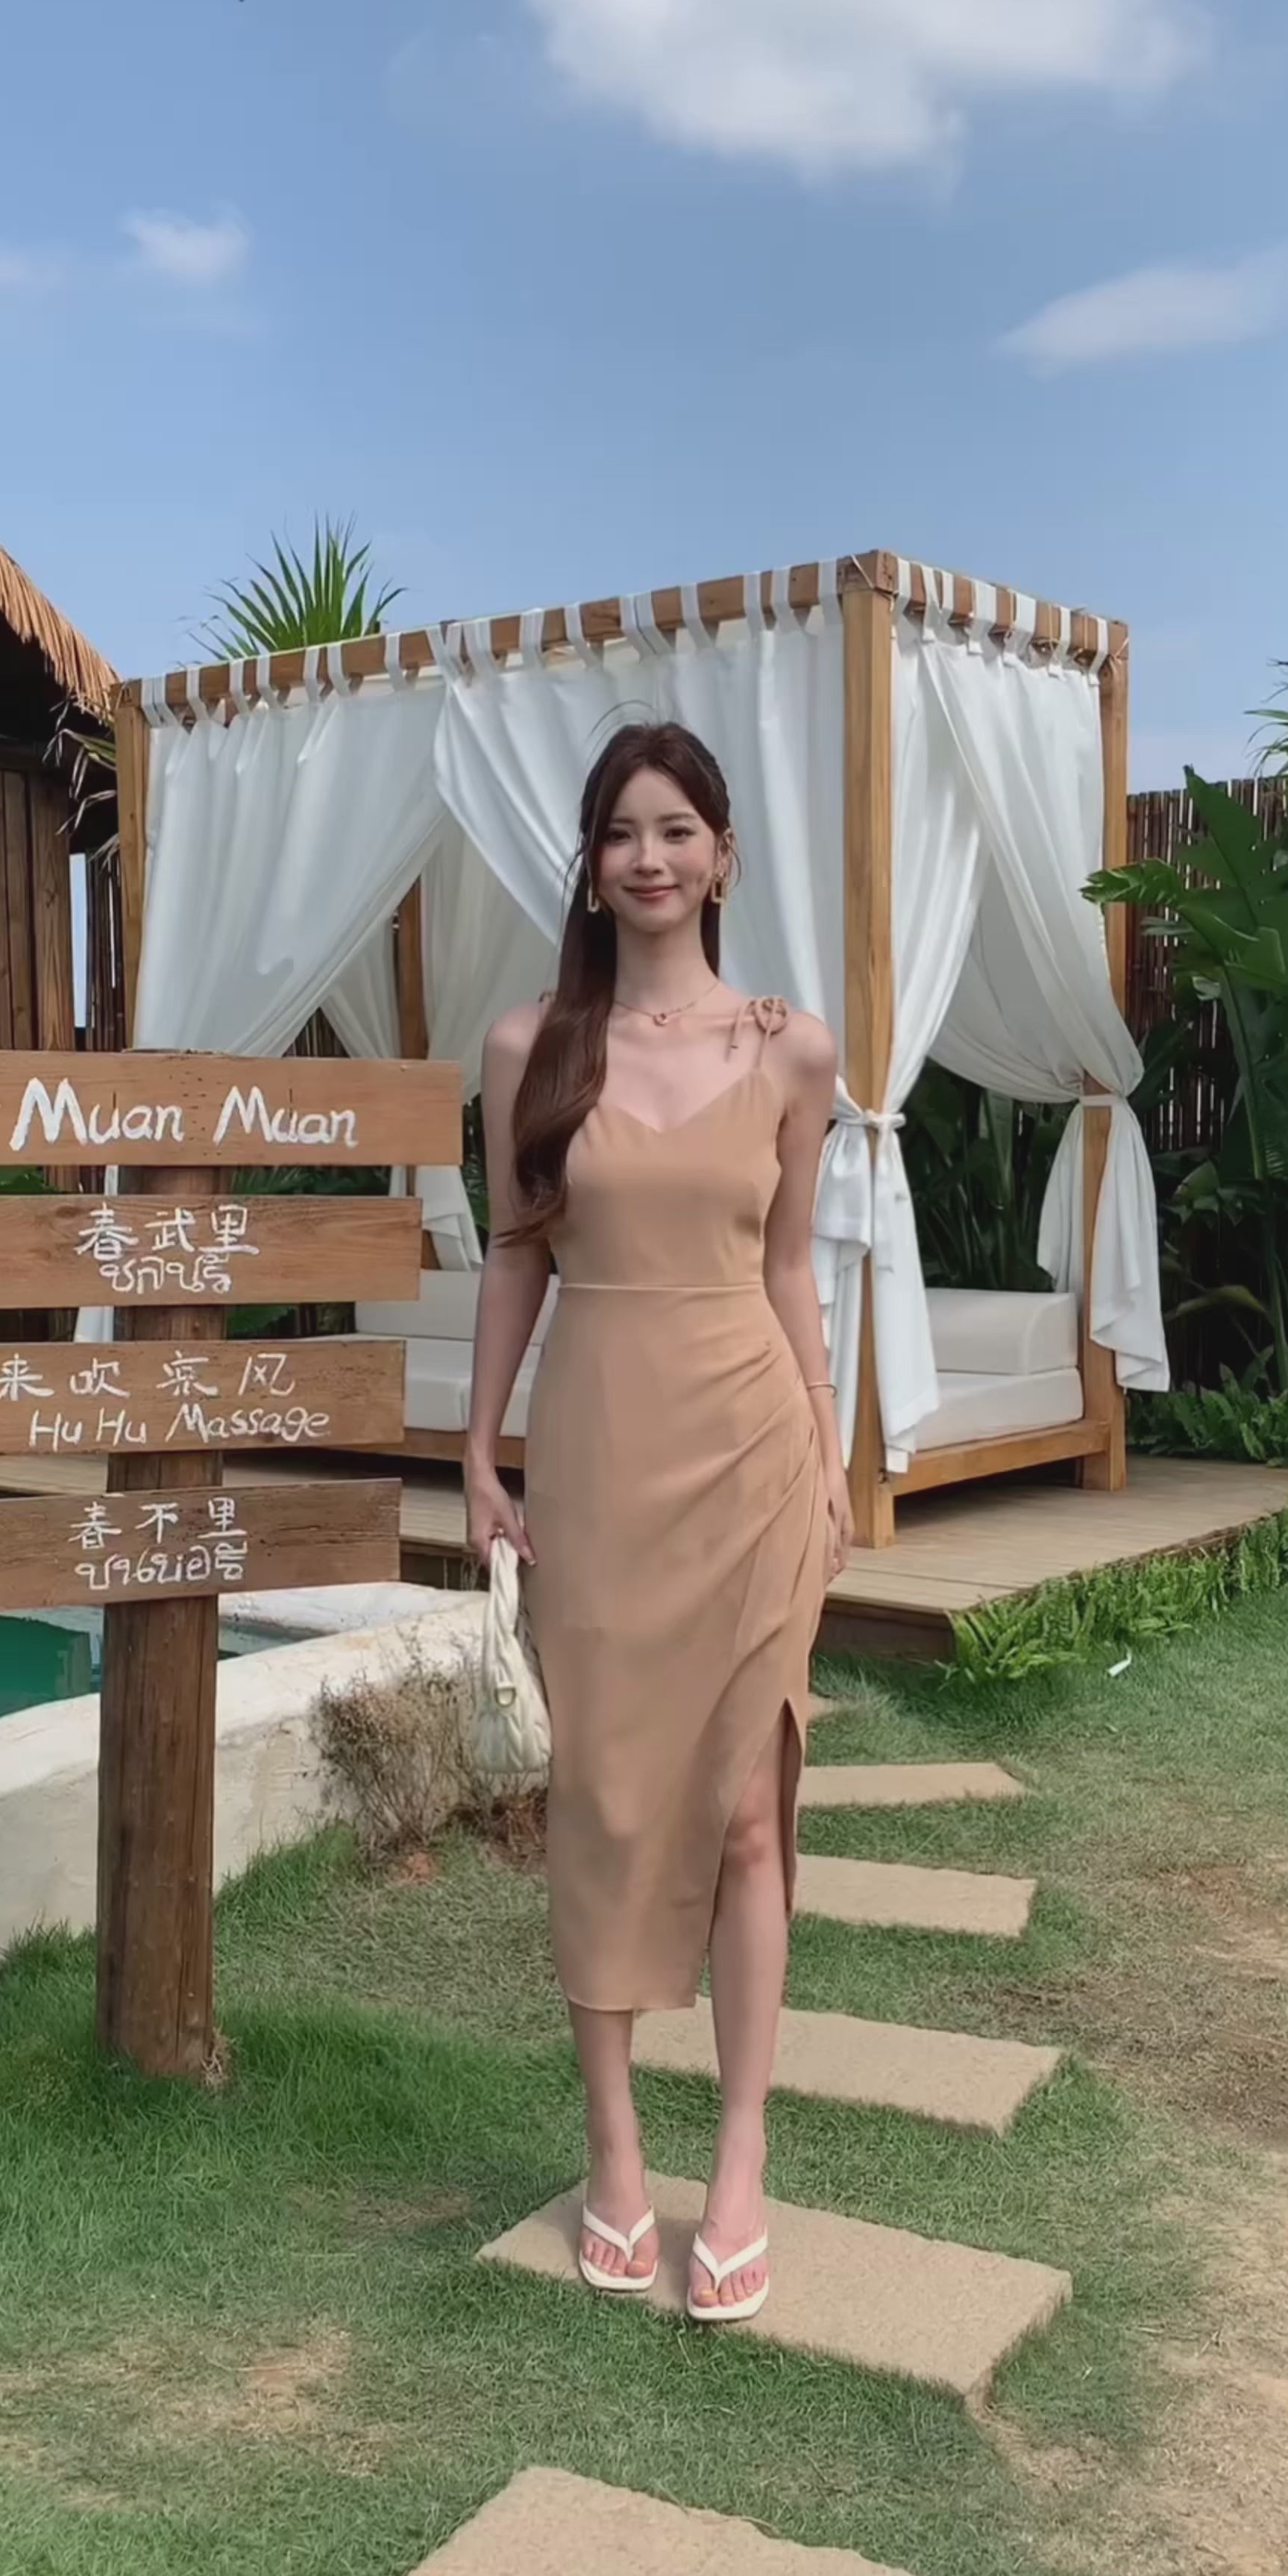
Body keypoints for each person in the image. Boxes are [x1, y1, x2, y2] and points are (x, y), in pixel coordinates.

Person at [465, 718, 851, 2325]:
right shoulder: (529, 1047)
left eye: (677, 828)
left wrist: (828, 1452)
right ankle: (615, 2154)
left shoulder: (792, 1051)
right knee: (607, 1801)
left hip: (754, 1445)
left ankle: (740, 2159)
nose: (649, 856)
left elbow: (789, 1268)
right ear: (592, 862)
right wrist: (478, 1451)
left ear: (723, 856)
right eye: (623, 830)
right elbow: (516, 1257)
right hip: (600, 1448)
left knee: (751, 1805)